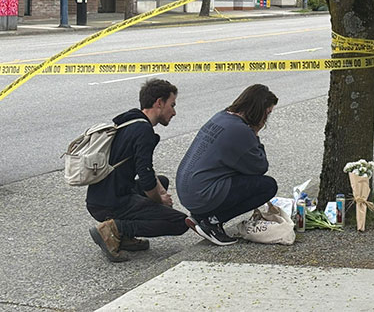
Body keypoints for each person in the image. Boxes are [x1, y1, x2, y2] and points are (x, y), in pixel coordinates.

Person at [86, 79, 188, 262]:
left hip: (99, 196)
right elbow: (147, 180)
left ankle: (123, 238)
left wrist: (160, 190)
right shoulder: (144, 132)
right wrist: (161, 200)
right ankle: (115, 229)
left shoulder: (131, 119)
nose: (174, 112)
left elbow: (147, 170)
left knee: (162, 181)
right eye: (171, 105)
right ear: (159, 103)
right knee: (180, 222)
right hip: (111, 202)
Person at [176, 84, 279, 246]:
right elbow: (260, 166)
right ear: (259, 110)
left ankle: (201, 216)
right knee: (267, 186)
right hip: (202, 194)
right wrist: (255, 134)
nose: (266, 120)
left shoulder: (221, 116)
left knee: (238, 174)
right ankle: (212, 222)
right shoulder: (241, 130)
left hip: (188, 190)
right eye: (268, 113)